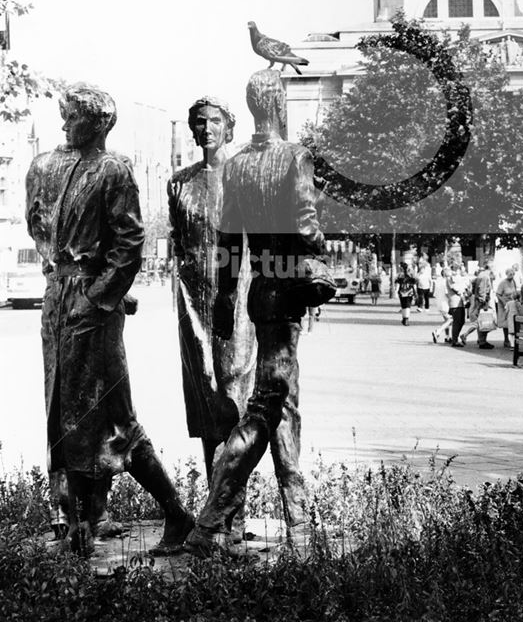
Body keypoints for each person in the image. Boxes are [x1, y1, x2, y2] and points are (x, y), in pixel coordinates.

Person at [26, 83, 193, 557]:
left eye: (72, 116)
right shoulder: (56, 168)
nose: (64, 124)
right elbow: (38, 225)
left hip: (91, 309)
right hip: (59, 301)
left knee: (110, 418)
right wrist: (55, 272)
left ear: (98, 122)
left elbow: (130, 241)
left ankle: (174, 513)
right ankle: (82, 527)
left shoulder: (112, 170)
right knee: (64, 411)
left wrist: (99, 297)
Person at [185, 69, 335, 556]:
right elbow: (308, 227)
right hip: (287, 291)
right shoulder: (295, 157)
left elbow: (229, 240)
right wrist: (322, 240)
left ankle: (298, 528)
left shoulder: (237, 166)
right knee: (269, 407)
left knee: (282, 406)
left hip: (257, 293)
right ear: (279, 104)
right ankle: (212, 523)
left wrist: (226, 301)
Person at [167, 97, 256, 488]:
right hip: (191, 298)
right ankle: (211, 503)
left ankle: (232, 508)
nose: (207, 128)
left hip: (235, 296)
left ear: (228, 127)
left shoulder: (243, 177)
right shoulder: (179, 182)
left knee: (236, 395)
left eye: (215, 121)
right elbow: (177, 240)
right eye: (200, 122)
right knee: (203, 395)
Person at [459, 261, 495, 349]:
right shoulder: (485, 276)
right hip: (481, 303)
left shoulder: (480, 275)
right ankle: (469, 336)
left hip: (478, 301)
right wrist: (482, 303)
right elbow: (482, 290)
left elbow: (474, 284)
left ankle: (481, 340)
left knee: (480, 322)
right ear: (490, 268)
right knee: (482, 321)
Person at [446, 262, 469, 347]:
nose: (459, 270)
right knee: (457, 321)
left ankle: (455, 338)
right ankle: (454, 340)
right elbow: (454, 288)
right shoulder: (450, 277)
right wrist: (462, 292)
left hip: (461, 301)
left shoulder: (458, 277)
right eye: (459, 268)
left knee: (462, 321)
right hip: (455, 302)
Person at [495, 268, 518, 347]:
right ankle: (506, 340)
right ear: (507, 274)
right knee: (505, 323)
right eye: (510, 274)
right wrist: (504, 302)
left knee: (512, 321)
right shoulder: (503, 283)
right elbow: (498, 294)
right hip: (504, 305)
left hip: (512, 304)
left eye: (513, 274)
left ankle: (512, 339)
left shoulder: (513, 282)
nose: (511, 276)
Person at [431, 265, 452, 344]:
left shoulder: (438, 282)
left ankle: (447, 337)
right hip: (445, 303)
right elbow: (447, 293)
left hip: (439, 303)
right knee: (451, 319)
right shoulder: (446, 282)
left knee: (447, 320)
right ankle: (438, 331)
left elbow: (435, 294)